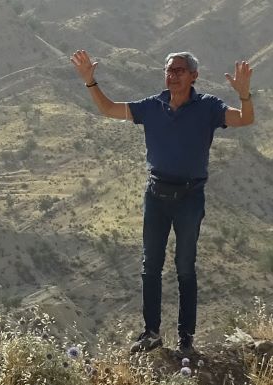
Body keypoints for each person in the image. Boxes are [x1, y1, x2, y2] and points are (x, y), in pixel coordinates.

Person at [70, 48, 256, 354]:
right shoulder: (152, 106)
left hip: (189, 198)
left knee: (185, 268)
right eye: (169, 70)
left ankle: (186, 340)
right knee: (151, 266)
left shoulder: (208, 107)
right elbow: (110, 110)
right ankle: (152, 333)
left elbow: (244, 120)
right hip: (156, 196)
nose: (172, 75)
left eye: (180, 70)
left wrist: (245, 95)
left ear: (194, 76)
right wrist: (91, 82)